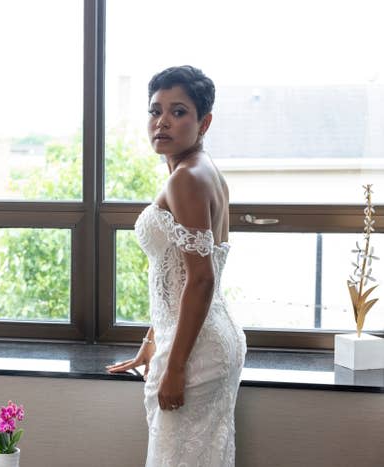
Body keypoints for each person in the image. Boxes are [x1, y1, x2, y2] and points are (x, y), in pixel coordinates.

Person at [106, 65, 246, 466]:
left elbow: (201, 280)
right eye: (155, 110)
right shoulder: (202, 171)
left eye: (178, 111)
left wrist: (176, 366)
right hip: (209, 338)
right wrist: (154, 340)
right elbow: (179, 273)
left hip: (198, 351)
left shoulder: (185, 179)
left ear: (205, 121)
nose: (162, 121)